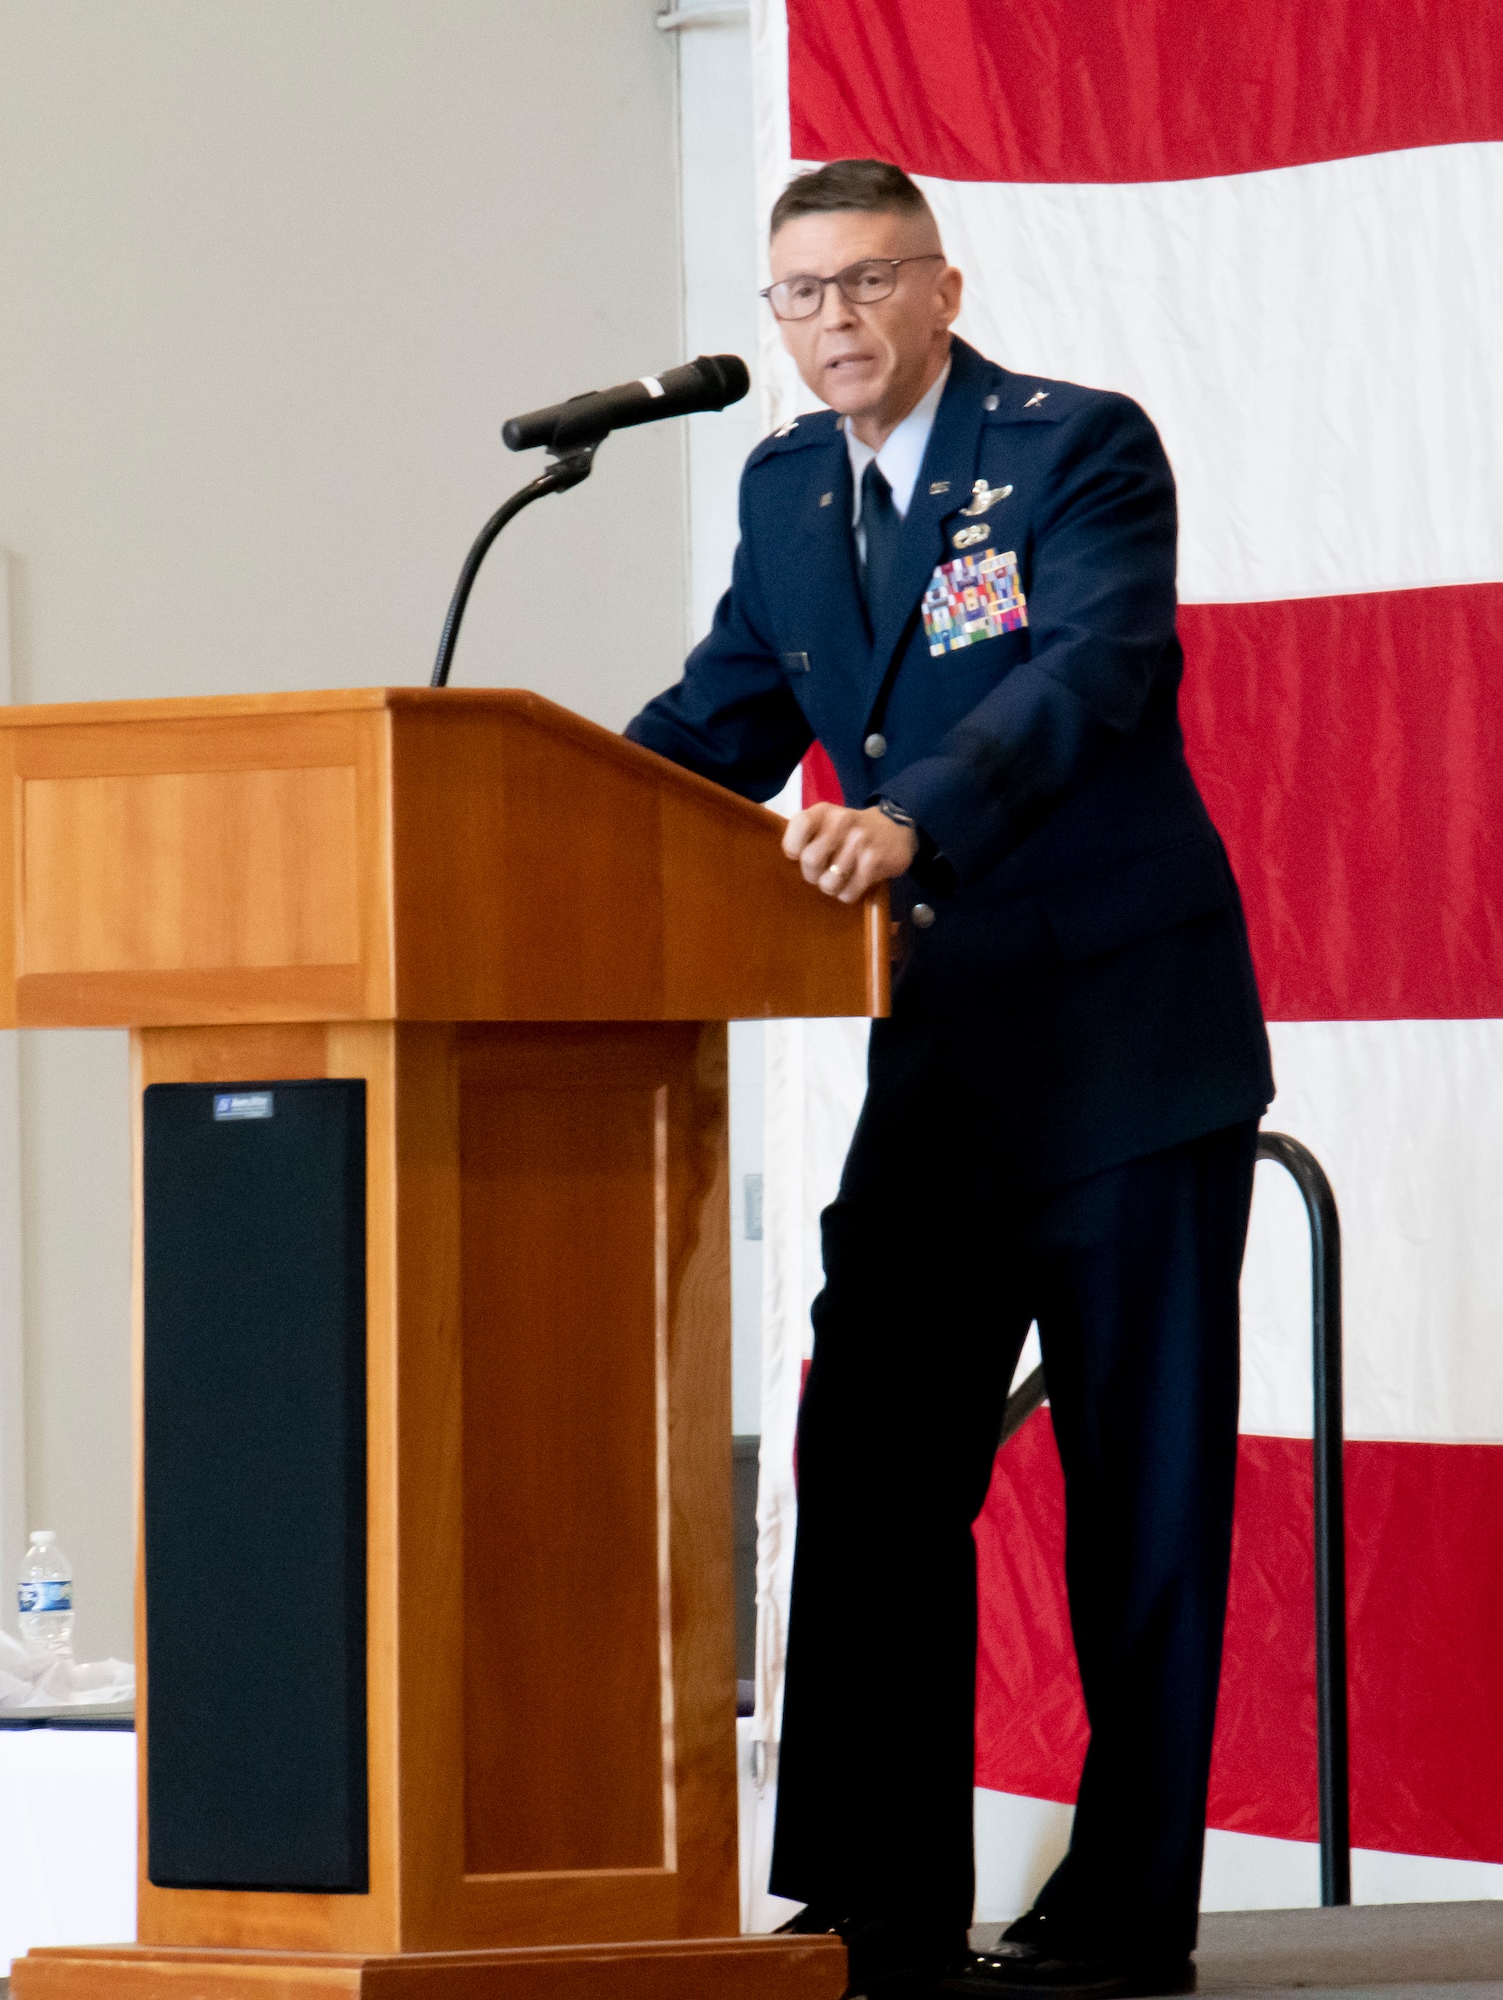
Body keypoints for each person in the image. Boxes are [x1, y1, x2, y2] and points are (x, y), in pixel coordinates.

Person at [625, 159, 1273, 2000]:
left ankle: (1124, 1913)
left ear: (943, 285)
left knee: (1140, 1499)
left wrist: (917, 817)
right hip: (947, 1059)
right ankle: (871, 1895)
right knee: (875, 1457)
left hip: (1130, 1049)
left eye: (866, 282)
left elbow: (1094, 673)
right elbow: (721, 719)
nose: (831, 322)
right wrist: (538, 816)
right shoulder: (779, 489)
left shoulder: (1074, 449)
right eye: (799, 295)